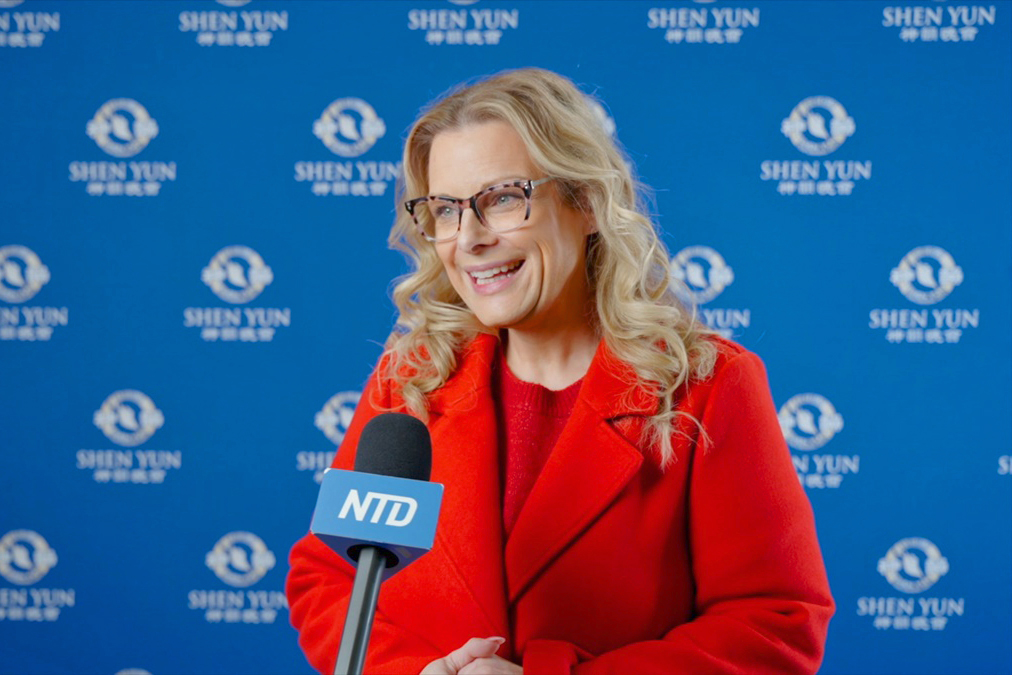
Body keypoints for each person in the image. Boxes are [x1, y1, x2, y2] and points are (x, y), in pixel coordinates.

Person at [287, 68, 834, 675]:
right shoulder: (411, 377)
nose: (468, 239)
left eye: (502, 198)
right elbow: (330, 579)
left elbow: (774, 624)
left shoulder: (707, 385)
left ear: (588, 203)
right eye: (444, 210)